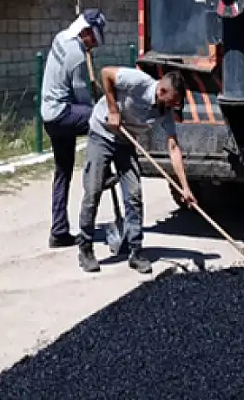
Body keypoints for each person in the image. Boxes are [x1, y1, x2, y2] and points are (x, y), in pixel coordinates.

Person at [76, 66, 196, 274]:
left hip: (126, 142)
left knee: (134, 196)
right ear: (162, 91)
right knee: (93, 191)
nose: (174, 106)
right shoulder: (138, 82)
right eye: (173, 100)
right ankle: (85, 249)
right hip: (102, 133)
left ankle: (135, 251)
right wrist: (113, 110)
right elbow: (106, 73)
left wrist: (185, 188)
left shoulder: (165, 111)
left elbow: (173, 148)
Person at [40, 9, 106, 249]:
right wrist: (99, 104)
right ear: (86, 32)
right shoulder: (77, 55)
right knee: (102, 119)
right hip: (62, 113)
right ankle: (103, 170)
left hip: (49, 116)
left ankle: (59, 231)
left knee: (63, 171)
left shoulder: (60, 38)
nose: (95, 43)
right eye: (95, 38)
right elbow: (82, 99)